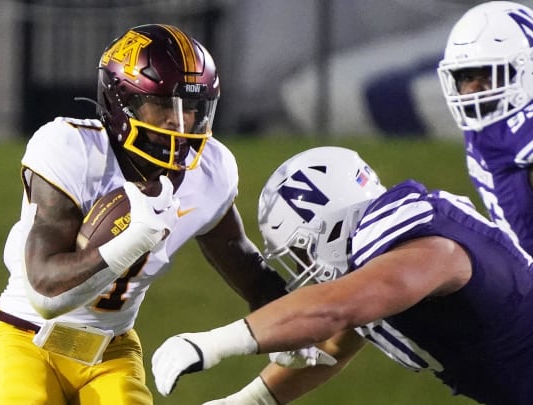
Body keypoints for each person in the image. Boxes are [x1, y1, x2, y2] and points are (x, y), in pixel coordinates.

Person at [0, 23, 331, 405]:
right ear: (122, 101)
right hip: (26, 336)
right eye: (164, 104)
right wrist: (132, 237)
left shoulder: (210, 170)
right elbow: (47, 294)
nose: (179, 123)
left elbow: (248, 268)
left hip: (110, 350)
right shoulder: (72, 148)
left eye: (192, 108)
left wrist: (289, 326)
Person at [151, 146, 533, 405]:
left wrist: (212, 344)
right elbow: (331, 347)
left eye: (301, 251)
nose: (302, 270)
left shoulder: (428, 250)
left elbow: (335, 309)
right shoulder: (390, 262)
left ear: (330, 227)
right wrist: (248, 401)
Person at [438, 1, 533, 255]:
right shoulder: (487, 123)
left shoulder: (520, 129)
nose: (473, 90)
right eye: (467, 77)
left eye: (489, 75)